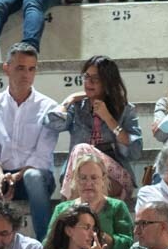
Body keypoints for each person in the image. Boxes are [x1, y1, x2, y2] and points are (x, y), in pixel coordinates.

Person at [0, 44, 60, 243]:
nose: (26, 74)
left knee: (34, 176)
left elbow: (42, 157)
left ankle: (47, 247)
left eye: (31, 69)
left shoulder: (49, 107)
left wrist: (16, 177)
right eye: (20, 68)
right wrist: (0, 177)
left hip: (33, 177)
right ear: (6, 68)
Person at [48, 56, 143, 201]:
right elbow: (54, 123)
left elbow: (135, 151)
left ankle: (67, 207)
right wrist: (69, 100)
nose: (89, 82)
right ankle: (76, 213)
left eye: (95, 78)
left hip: (115, 179)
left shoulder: (125, 109)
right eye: (86, 77)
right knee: (82, 157)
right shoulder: (77, 107)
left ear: (108, 82)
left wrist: (108, 118)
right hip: (79, 176)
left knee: (82, 149)